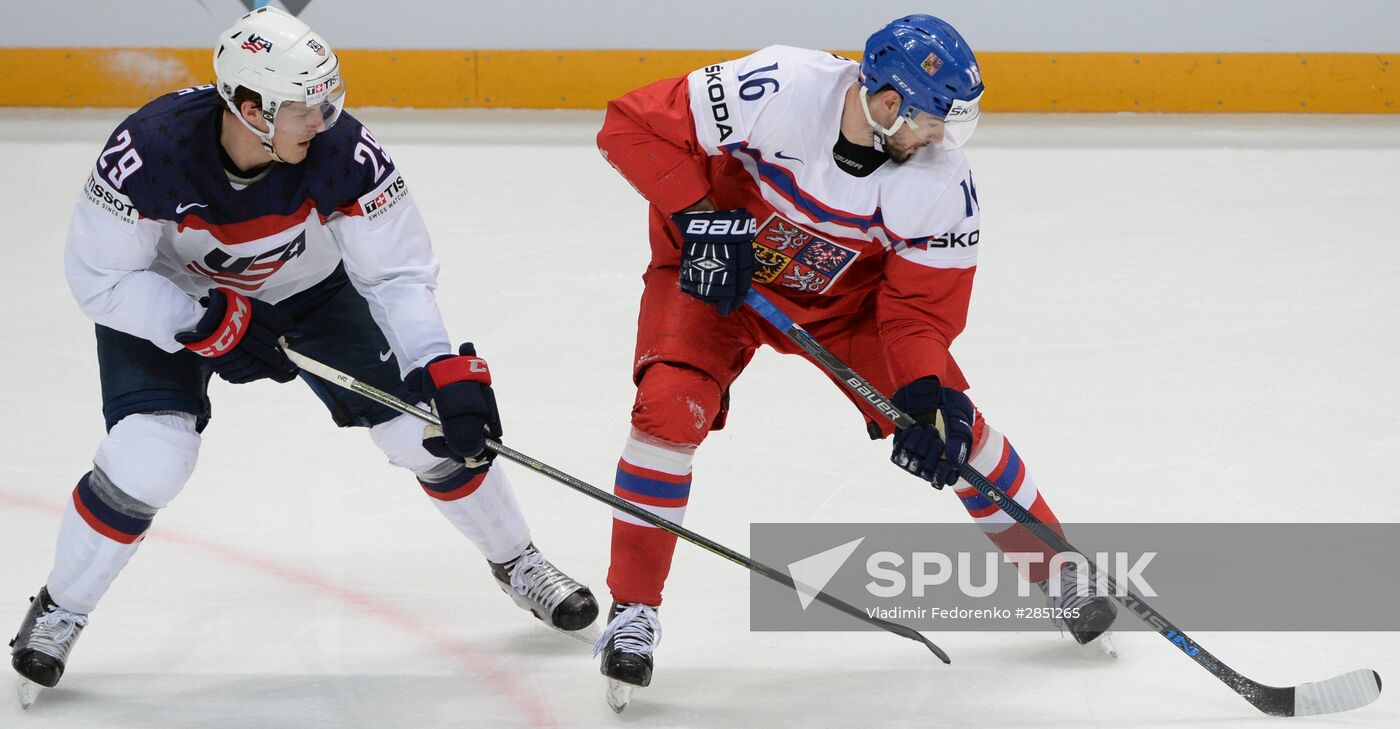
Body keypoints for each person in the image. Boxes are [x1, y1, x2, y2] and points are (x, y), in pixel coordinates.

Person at [9, 7, 597, 700]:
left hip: (309, 290)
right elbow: (100, 280)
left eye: (326, 100)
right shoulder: (151, 150)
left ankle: (518, 560)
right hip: (170, 294)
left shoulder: (342, 149)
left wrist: (439, 367)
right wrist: (202, 318)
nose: (324, 120)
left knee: (426, 428)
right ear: (250, 108)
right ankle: (61, 607)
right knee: (151, 454)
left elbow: (398, 274)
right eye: (305, 108)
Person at [591, 13, 1117, 704]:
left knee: (954, 429)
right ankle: (632, 611)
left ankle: (1059, 569)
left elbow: (919, 310)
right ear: (891, 104)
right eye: (933, 122)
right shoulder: (779, 84)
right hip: (720, 273)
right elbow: (629, 126)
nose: (940, 139)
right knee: (665, 410)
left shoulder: (939, 182)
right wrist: (698, 219)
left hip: (845, 308)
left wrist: (924, 391)